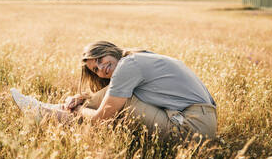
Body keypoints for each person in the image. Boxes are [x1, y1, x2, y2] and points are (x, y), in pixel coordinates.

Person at [11, 41, 217, 140]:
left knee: (119, 106)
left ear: (109, 50)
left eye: (100, 60)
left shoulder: (129, 65)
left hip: (192, 128)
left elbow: (102, 118)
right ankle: (49, 110)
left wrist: (80, 109)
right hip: (200, 122)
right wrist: (81, 98)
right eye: (95, 69)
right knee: (117, 100)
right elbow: (112, 93)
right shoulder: (138, 58)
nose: (102, 68)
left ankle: (47, 113)